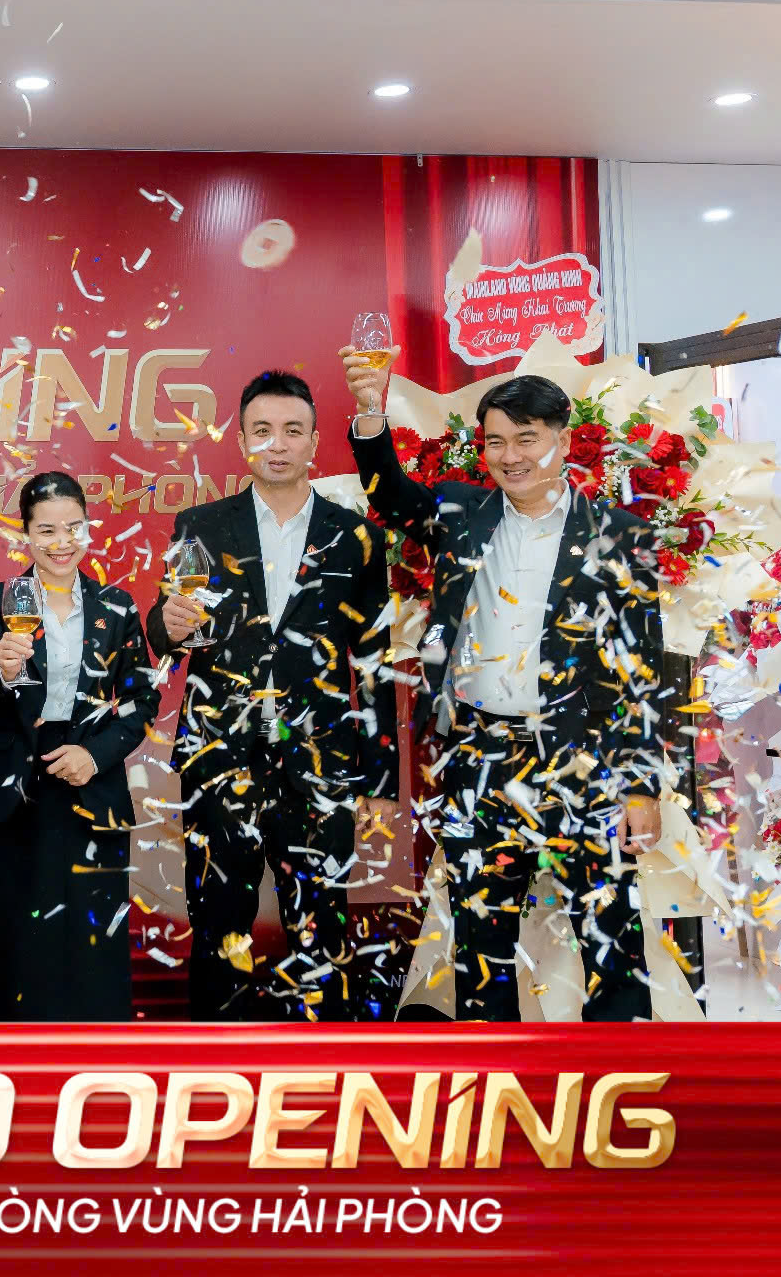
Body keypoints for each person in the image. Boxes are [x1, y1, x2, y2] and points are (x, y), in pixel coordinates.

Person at [343, 349, 671, 1022]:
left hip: (583, 760)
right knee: (481, 945)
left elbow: (641, 669)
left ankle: (622, 1077)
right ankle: (495, 1075)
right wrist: (371, 414)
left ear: (564, 440)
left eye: (526, 438)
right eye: (496, 441)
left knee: (611, 941)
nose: (510, 456)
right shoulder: (459, 513)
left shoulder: (620, 536)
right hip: (481, 757)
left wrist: (640, 786)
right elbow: (389, 495)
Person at [146, 371, 398, 1022]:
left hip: (321, 764)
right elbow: (168, 627)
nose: (277, 444)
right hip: (218, 759)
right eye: (262, 431)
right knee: (218, 927)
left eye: (292, 431)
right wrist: (165, 625)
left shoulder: (356, 535)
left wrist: (379, 778)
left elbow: (373, 659)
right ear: (241, 441)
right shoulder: (200, 525)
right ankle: (217, 1068)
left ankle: (325, 1069)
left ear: (314, 441)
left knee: (321, 930)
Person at [0, 472, 156, 1021]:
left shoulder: (117, 606)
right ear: (25, 534)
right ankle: (24, 1057)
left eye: (73, 528)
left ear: (88, 529)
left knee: (96, 937)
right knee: (23, 936)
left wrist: (94, 756)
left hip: (93, 774)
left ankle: (102, 1057)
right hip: (18, 784)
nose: (61, 542)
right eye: (46, 530)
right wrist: (5, 665)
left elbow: (142, 699)